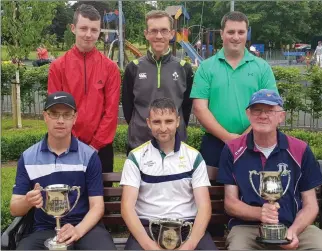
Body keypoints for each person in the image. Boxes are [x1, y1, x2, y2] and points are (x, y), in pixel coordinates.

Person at [217, 89, 322, 250]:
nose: (263, 116)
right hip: (248, 229)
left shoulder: (300, 149)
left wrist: (293, 231)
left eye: (270, 110)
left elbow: (311, 205)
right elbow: (230, 203)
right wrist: (260, 213)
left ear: (281, 116)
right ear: (248, 114)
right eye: (257, 110)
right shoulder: (232, 149)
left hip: (294, 225)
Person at [10, 91, 116, 250]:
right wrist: (28, 201)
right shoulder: (28, 157)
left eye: (67, 115)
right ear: (45, 116)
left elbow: (97, 206)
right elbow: (14, 208)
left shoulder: (89, 156)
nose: (60, 120)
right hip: (44, 229)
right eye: (54, 114)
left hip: (85, 228)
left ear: (75, 118)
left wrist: (78, 230)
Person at [120, 97, 217, 250]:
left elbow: (204, 207)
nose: (163, 128)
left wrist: (190, 245)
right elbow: (127, 207)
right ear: (148, 123)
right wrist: (149, 246)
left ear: (178, 121)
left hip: (187, 228)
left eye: (169, 121)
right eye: (157, 122)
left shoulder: (194, 157)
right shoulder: (136, 157)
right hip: (147, 228)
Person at [190, 11, 278, 174]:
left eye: (241, 32)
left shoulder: (262, 68)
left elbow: (270, 108)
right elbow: (199, 108)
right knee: (213, 193)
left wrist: (244, 139)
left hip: (255, 140)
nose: (236, 37)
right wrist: (228, 138)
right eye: (231, 32)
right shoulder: (206, 67)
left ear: (247, 34)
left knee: (255, 191)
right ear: (222, 34)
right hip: (214, 143)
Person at [48, 4, 121, 177]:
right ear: (73, 28)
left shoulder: (110, 68)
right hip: (66, 144)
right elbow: (55, 111)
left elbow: (110, 112)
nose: (89, 34)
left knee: (100, 199)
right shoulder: (58, 67)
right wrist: (73, 142)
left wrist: (95, 144)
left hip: (101, 148)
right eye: (83, 28)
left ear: (99, 32)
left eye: (94, 30)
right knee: (69, 198)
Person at [122, 10, 194, 155]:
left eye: (164, 31)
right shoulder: (133, 67)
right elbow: (128, 107)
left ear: (171, 33)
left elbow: (186, 107)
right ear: (146, 34)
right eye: (153, 31)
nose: (159, 36)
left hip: (175, 145)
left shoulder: (183, 68)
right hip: (139, 143)